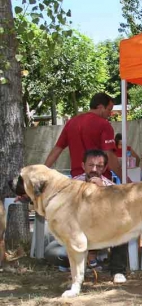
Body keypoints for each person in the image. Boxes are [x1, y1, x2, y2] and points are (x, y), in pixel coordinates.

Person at [44, 149, 128, 284]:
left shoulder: (111, 187)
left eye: (99, 166)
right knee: (52, 252)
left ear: (105, 168)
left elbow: (120, 213)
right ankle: (86, 263)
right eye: (91, 165)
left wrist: (104, 192)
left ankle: (117, 271)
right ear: (83, 166)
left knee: (123, 231)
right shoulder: (70, 184)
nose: (94, 169)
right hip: (77, 235)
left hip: (102, 235)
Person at [44, 92, 124, 182]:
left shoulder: (71, 123)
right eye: (109, 110)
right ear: (101, 107)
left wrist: (43, 172)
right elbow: (109, 155)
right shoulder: (104, 125)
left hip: (77, 180)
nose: (110, 113)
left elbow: (57, 150)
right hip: (99, 179)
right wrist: (123, 177)